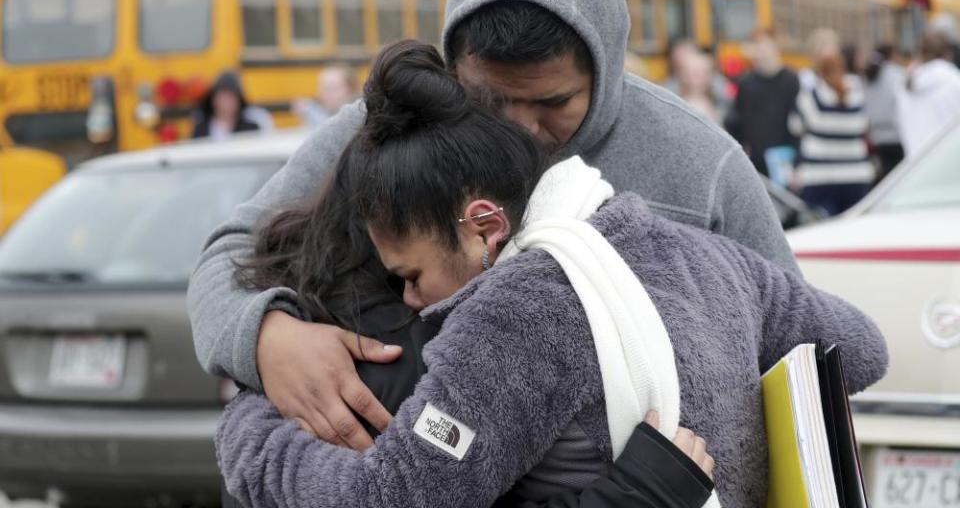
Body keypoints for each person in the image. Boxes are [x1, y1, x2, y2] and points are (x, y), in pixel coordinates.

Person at [189, 0, 797, 460]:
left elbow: (796, 355)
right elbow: (228, 253)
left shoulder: (702, 165)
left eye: (553, 103)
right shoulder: (386, 133)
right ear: (456, 66)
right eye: (492, 99)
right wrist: (267, 338)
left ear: (604, 69)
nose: (520, 129)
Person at [217, 40, 888, 508]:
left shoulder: (513, 319)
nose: (413, 300)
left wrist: (247, 432)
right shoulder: (690, 250)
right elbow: (859, 349)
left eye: (412, 273)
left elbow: (390, 496)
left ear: (484, 227)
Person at [790, 52, 874, 216]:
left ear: (820, 72)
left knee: (822, 232)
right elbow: (866, 125)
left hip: (819, 177)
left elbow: (794, 126)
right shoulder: (858, 96)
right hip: (856, 176)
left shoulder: (810, 98)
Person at [724, 28, 800, 177]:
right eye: (756, 44)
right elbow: (736, 119)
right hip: (756, 161)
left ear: (776, 46)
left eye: (763, 44)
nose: (759, 50)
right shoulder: (746, 83)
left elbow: (798, 122)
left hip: (785, 158)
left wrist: (798, 161)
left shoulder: (791, 80)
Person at [896, 32, 960, 158]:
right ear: (948, 53)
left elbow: (900, 125)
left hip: (916, 164)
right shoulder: (953, 81)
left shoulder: (905, 85)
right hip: (950, 161)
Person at [863, 44, 906, 183]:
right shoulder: (897, 73)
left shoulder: (868, 74)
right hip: (896, 136)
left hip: (875, 137)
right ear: (892, 55)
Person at [192, 71, 273, 141]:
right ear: (213, 99)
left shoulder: (251, 129)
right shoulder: (200, 130)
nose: (226, 102)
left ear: (239, 101)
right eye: (222, 96)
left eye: (231, 97)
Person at [292, 65, 358, 128]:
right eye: (323, 87)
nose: (326, 93)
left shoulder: (357, 118)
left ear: (349, 89)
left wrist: (310, 112)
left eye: (332, 87)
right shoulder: (324, 111)